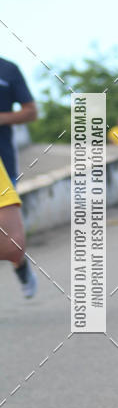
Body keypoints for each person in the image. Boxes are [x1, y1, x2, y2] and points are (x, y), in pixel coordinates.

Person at [0, 55, 38, 296]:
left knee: (11, 244)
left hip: (5, 163)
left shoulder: (8, 70)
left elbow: (31, 112)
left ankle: (20, 264)